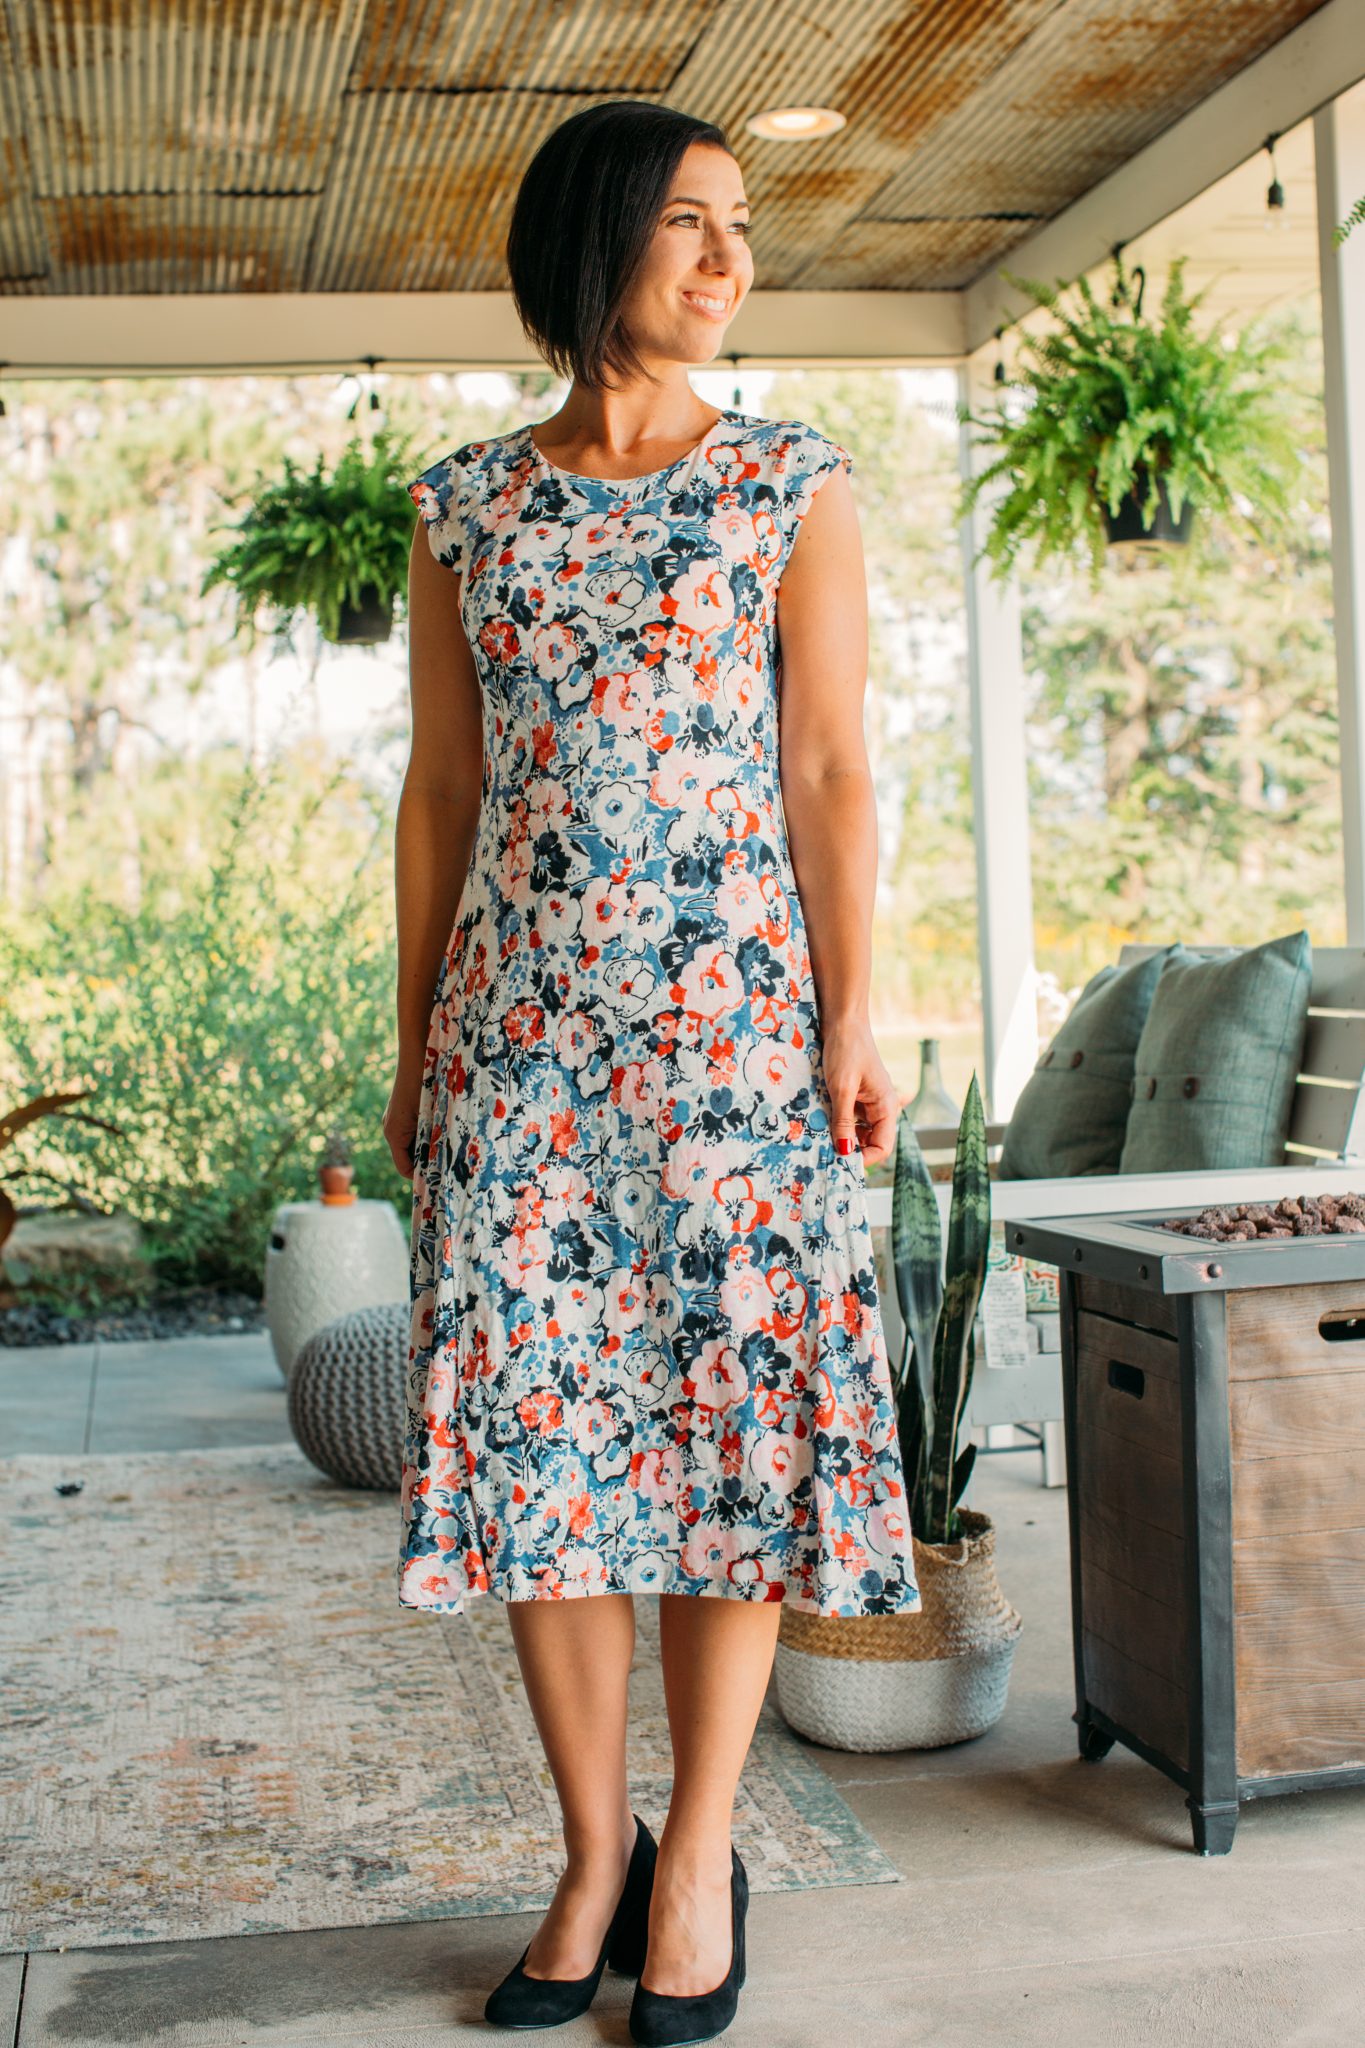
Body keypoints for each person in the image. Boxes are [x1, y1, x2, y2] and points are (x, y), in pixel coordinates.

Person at [386, 97, 920, 2045]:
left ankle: (695, 1854)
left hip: (730, 1054)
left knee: (720, 1448)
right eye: (690, 224)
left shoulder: (787, 484)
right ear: (594, 242)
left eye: (740, 228)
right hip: (513, 1058)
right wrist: (409, 1046)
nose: (728, 261)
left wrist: (849, 1013)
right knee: (544, 1452)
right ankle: (586, 1852)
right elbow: (441, 790)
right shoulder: (465, 504)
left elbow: (830, 769)